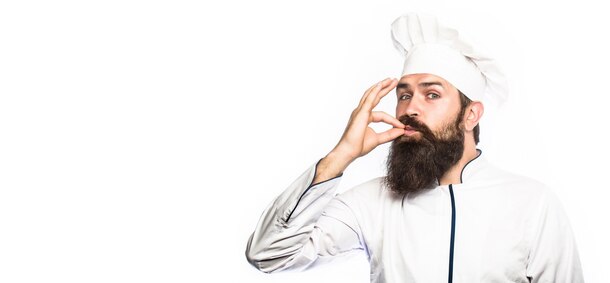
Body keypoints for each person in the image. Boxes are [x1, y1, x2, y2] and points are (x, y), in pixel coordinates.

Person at [245, 13, 584, 283]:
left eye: (431, 94)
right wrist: (341, 155)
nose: (409, 109)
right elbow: (269, 254)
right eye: (404, 94)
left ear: (470, 115)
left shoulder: (531, 203)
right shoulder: (373, 203)